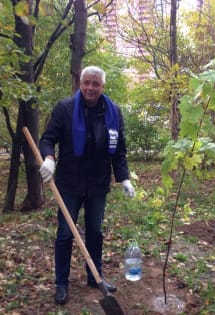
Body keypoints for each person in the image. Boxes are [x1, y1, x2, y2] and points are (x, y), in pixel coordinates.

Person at [38, 66, 135, 304]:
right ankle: (61, 283)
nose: (91, 88)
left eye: (96, 84)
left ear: (102, 86)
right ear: (80, 84)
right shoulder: (65, 108)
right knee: (64, 234)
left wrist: (124, 178)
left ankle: (95, 276)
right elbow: (47, 138)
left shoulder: (113, 112)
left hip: (98, 184)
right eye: (87, 83)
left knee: (95, 232)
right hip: (69, 183)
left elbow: (118, 149)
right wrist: (49, 159)